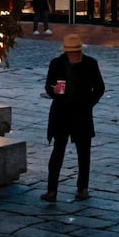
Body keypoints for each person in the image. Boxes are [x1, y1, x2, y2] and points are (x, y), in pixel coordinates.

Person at [41, 32, 105, 202]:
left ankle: (82, 188)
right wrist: (53, 90)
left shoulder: (90, 64)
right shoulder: (57, 64)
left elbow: (99, 88)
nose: (74, 55)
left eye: (76, 52)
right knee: (58, 151)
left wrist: (88, 103)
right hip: (61, 113)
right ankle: (51, 190)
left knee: (84, 153)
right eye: (71, 52)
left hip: (81, 114)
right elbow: (49, 85)